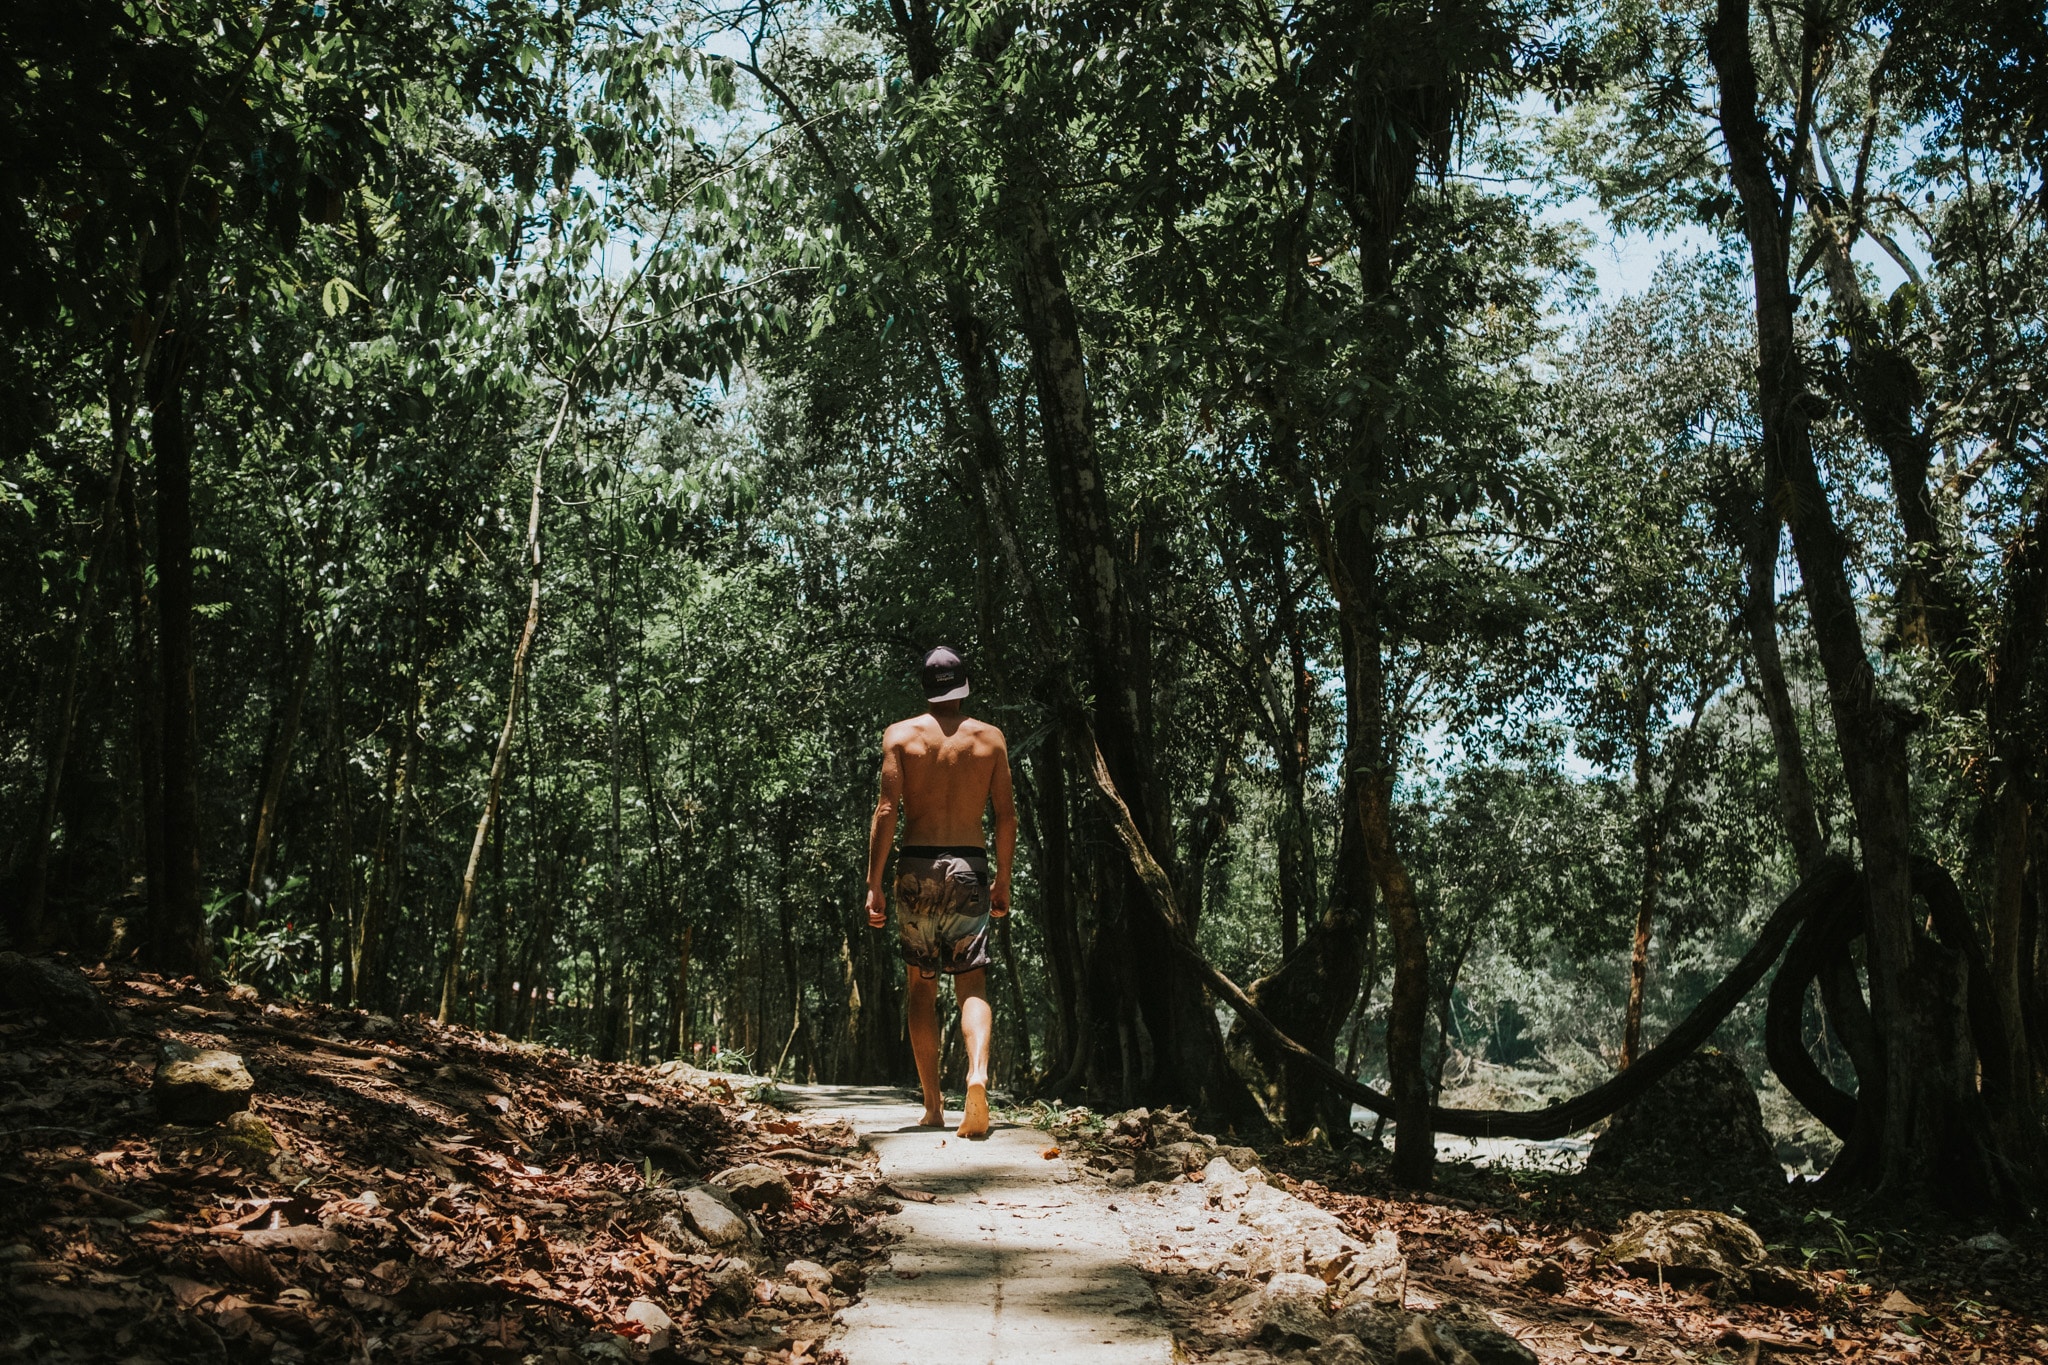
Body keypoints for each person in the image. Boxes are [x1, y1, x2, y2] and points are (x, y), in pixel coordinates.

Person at [865, 645, 1016, 1138]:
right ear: (963, 686)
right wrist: (1002, 880)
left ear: (927, 689)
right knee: (971, 983)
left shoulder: (901, 736)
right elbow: (1006, 816)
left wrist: (874, 885)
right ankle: (976, 1073)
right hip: (969, 867)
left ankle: (933, 1106)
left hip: (917, 868)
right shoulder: (989, 739)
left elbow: (887, 811)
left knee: (921, 987)